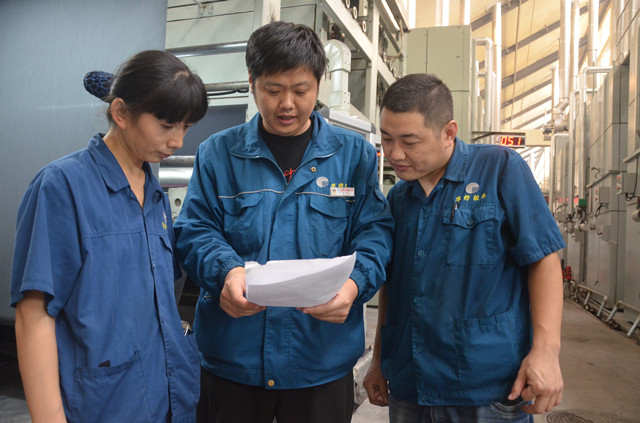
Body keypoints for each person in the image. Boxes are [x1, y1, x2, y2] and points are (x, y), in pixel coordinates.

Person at [173, 20, 394, 423]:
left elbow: (375, 233)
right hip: (234, 361)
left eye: (300, 90)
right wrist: (226, 273)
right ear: (252, 82)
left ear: (319, 85)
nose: (287, 104)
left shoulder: (353, 156)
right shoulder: (218, 154)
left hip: (319, 360)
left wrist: (353, 285)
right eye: (273, 90)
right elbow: (194, 229)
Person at [11, 50, 208, 423]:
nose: (178, 141)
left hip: (166, 396)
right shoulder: (62, 186)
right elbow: (34, 314)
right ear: (121, 113)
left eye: (185, 126)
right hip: (103, 404)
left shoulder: (154, 193)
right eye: (167, 125)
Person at [363, 73, 566, 422]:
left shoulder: (500, 169)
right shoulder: (398, 198)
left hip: (487, 385)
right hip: (411, 383)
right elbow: (392, 288)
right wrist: (379, 361)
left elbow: (543, 259)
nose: (395, 153)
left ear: (449, 132)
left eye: (410, 141)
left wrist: (546, 352)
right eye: (387, 138)